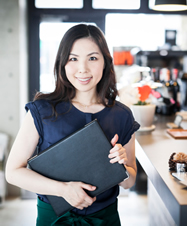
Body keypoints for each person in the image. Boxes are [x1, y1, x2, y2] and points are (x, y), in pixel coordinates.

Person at [5, 24, 140, 225]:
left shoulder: (122, 115)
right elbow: (13, 172)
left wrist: (121, 168)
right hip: (53, 219)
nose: (83, 69)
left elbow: (129, 182)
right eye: (73, 58)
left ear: (105, 62)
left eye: (92, 58)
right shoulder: (42, 111)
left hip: (105, 219)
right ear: (62, 63)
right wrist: (62, 190)